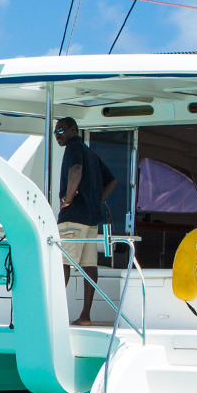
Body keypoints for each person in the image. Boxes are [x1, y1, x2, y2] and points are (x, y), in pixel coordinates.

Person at [54, 117, 119, 326]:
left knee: (62, 264)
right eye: (55, 132)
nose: (57, 135)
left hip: (73, 217)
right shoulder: (91, 152)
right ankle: (85, 316)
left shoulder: (73, 147)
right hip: (91, 219)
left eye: (61, 130)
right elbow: (112, 181)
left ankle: (51, 315)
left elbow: (75, 171)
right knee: (89, 266)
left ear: (73, 130)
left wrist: (68, 199)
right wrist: (93, 201)